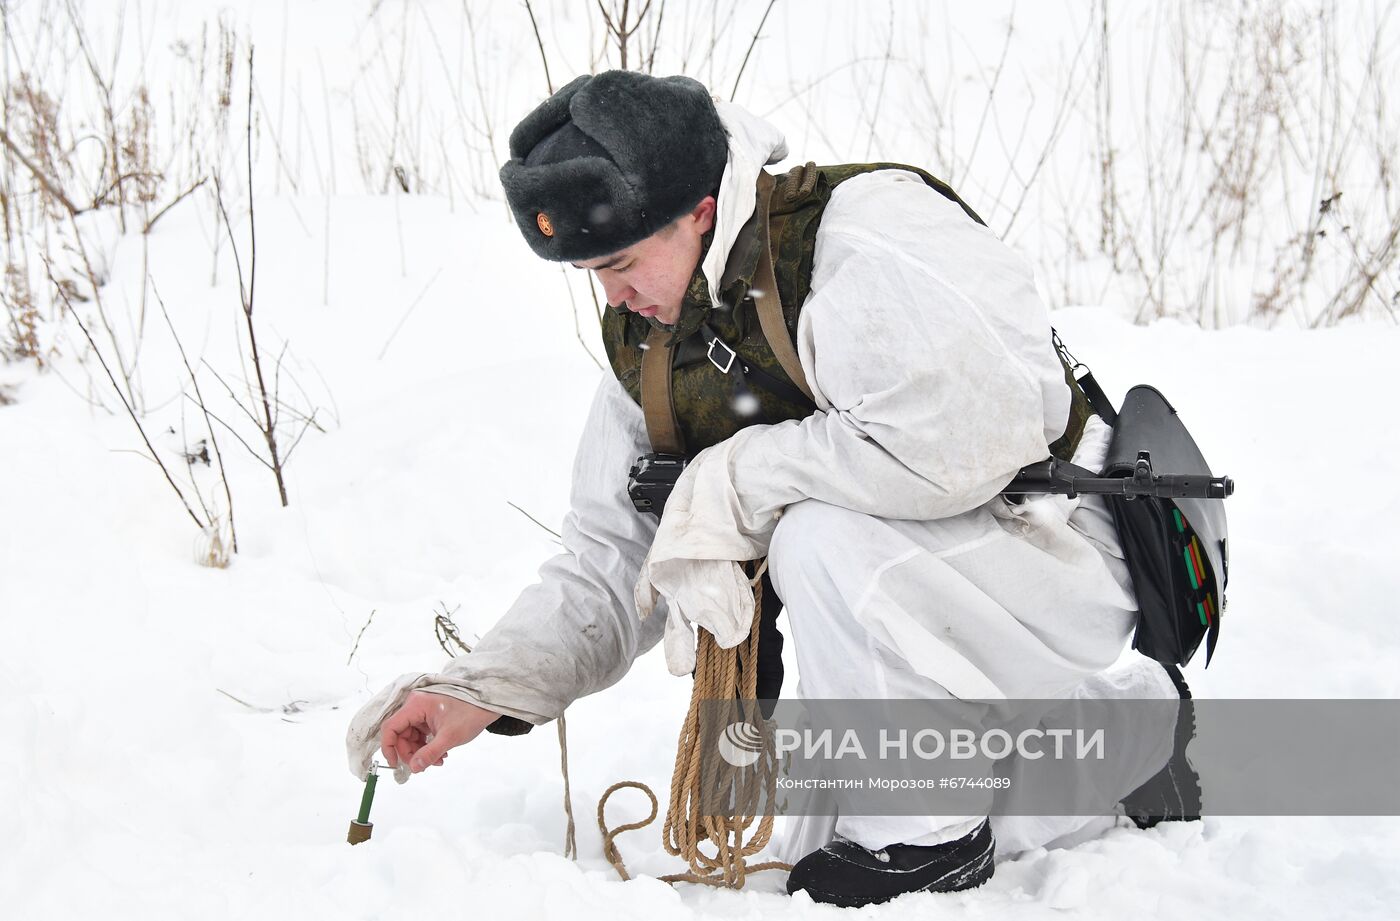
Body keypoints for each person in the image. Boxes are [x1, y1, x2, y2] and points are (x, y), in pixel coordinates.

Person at [346, 70, 1191, 908]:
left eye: (624, 262)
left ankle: (930, 842)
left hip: (1057, 546)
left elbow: (974, 437)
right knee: (830, 831)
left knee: (818, 545)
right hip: (926, 584)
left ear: (700, 213)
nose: (616, 297)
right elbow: (615, 558)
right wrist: (478, 688)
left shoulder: (863, 239)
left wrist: (738, 479)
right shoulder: (655, 344)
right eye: (593, 274)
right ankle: (1140, 736)